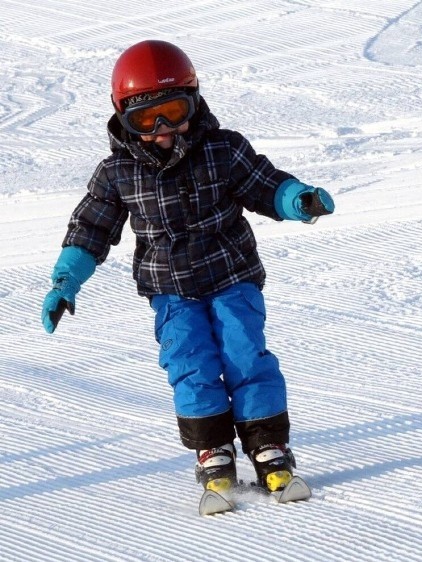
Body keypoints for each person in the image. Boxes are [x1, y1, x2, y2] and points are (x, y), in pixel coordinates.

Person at [40, 39, 334, 496]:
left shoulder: (223, 149)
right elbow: (90, 229)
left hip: (232, 275)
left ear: (193, 103)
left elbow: (264, 185)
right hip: (171, 289)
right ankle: (212, 449)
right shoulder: (117, 173)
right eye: (144, 119)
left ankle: (267, 444)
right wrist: (66, 279)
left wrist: (298, 200)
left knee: (244, 355)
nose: (162, 129)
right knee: (189, 363)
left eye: (173, 112)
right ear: (123, 118)